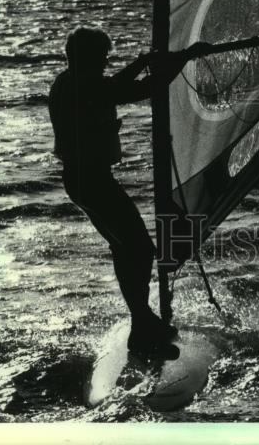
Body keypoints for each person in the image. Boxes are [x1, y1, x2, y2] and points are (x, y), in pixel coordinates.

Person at [48, 25, 206, 359]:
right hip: (91, 181)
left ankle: (142, 324)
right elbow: (141, 90)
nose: (106, 63)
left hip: (82, 180)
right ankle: (143, 323)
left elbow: (113, 84)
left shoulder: (71, 79)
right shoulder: (81, 85)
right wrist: (184, 60)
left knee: (124, 249)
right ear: (87, 59)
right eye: (102, 58)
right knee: (141, 249)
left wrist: (142, 60)